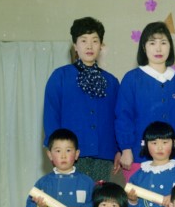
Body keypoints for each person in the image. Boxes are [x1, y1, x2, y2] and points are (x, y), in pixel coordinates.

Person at [116, 21, 175, 180]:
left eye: (163, 43)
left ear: (170, 47)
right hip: (139, 157)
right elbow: (123, 117)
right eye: (152, 43)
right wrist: (126, 149)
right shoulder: (132, 79)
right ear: (144, 47)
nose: (158, 49)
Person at [43, 17, 121, 182]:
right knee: (72, 196)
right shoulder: (60, 77)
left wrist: (118, 150)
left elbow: (118, 119)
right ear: (75, 45)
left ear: (101, 45)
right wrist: (55, 149)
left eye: (95, 41)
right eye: (84, 40)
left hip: (104, 154)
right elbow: (51, 117)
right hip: (70, 153)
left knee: (99, 197)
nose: (89, 46)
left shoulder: (112, 82)